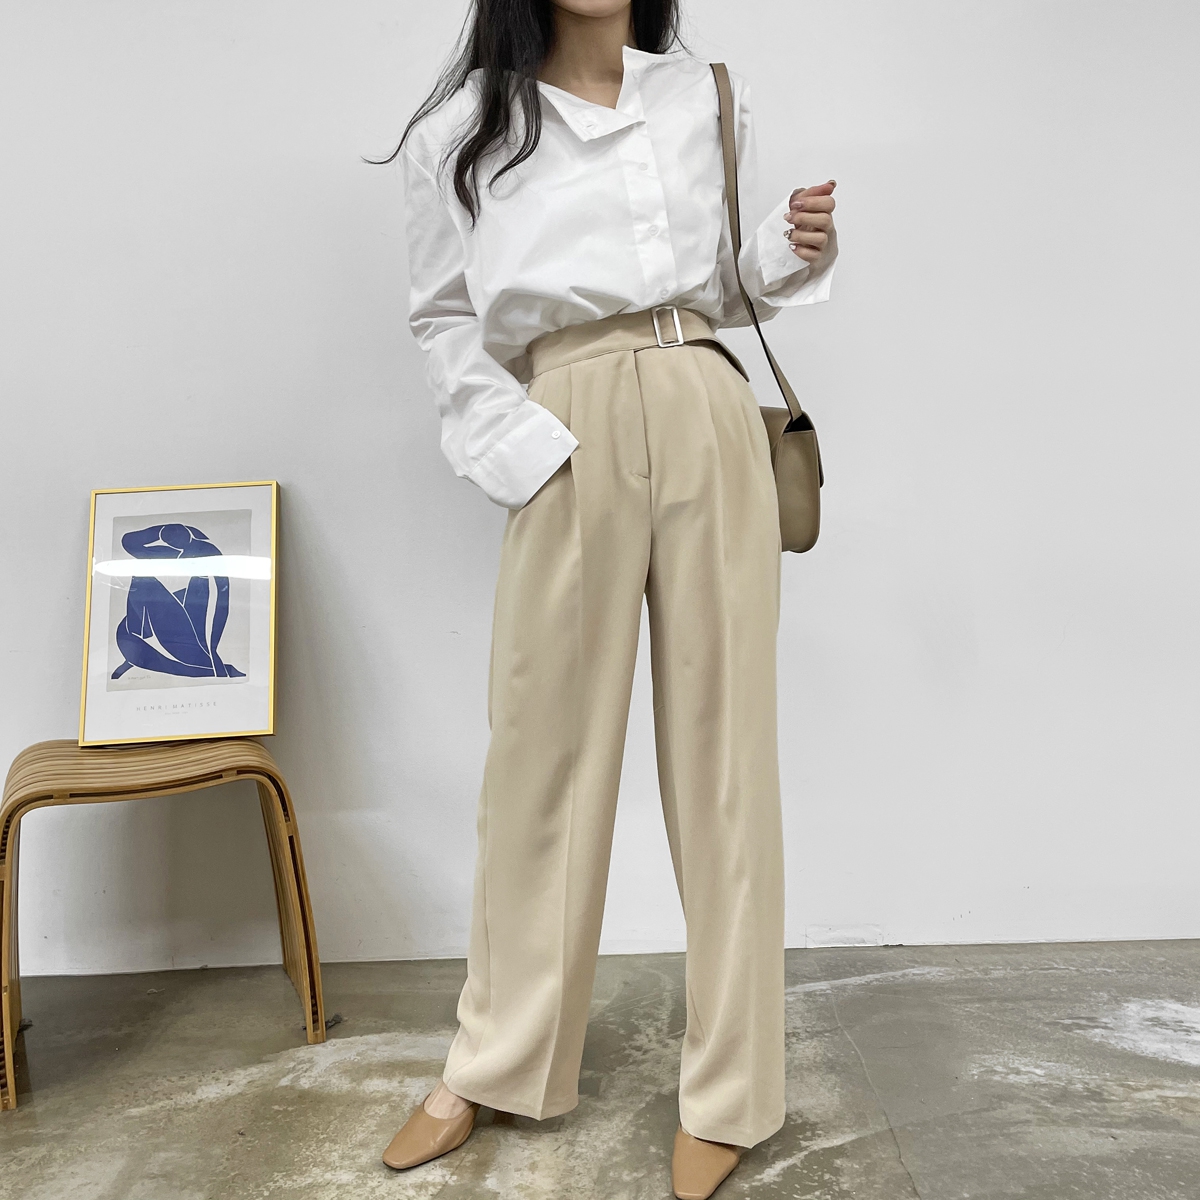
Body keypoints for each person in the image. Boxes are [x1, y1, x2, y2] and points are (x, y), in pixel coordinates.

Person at [380, 1, 837, 1195]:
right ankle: (496, 1058)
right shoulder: (461, 131)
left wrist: (788, 253)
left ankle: (733, 1090)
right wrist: (520, 453)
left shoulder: (705, 95)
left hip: (705, 407)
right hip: (564, 425)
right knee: (538, 761)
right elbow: (443, 321)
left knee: (726, 762)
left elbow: (722, 288)